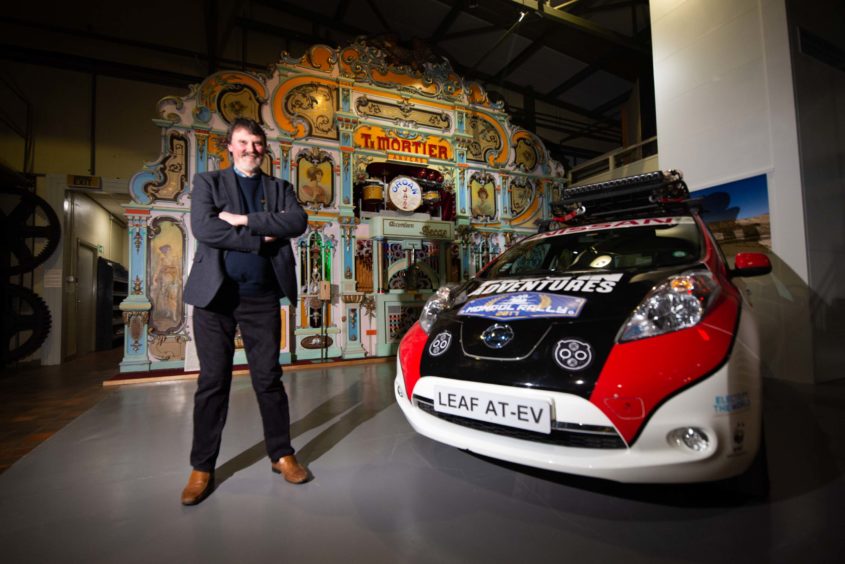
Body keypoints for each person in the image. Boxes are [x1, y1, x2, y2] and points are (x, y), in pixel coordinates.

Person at [180, 118, 309, 505]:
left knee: (268, 378)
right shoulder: (209, 183)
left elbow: (297, 221)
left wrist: (240, 220)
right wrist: (262, 236)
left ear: (263, 148)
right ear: (230, 147)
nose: (251, 148)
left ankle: (282, 454)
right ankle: (202, 466)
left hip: (261, 297)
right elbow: (205, 229)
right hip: (214, 299)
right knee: (213, 381)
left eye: (256, 142)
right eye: (243, 142)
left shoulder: (280, 187)